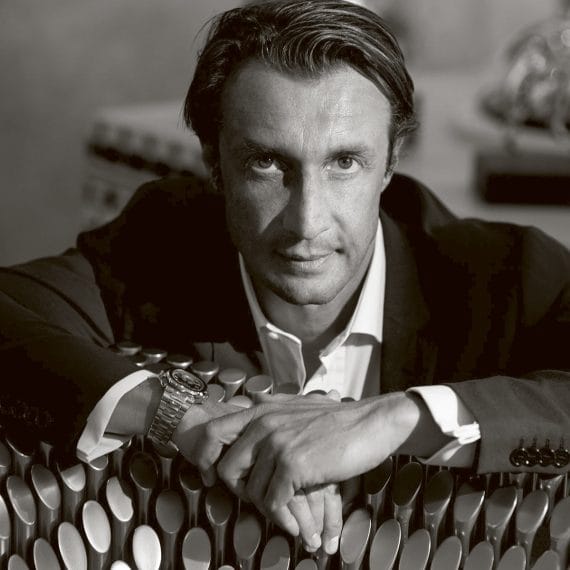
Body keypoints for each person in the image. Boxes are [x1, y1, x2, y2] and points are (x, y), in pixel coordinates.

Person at [1, 0, 569, 555]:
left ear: (391, 162)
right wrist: (169, 410)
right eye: (267, 163)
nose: (307, 222)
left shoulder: (505, 274)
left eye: (344, 162)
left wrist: (395, 418)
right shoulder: (159, 243)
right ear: (214, 163)